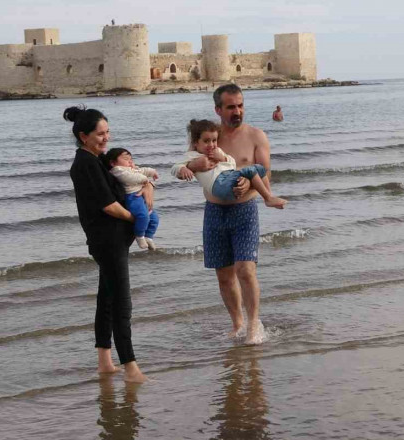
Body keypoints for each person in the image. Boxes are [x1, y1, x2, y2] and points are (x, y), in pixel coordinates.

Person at [173, 84, 273, 345]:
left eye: (240, 105)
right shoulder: (209, 138)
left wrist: (249, 184)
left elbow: (266, 174)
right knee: (224, 275)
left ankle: (253, 325)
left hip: (245, 210)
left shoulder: (256, 136)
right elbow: (184, 167)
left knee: (245, 270)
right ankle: (237, 324)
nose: (237, 111)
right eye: (231, 107)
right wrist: (192, 166)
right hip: (214, 211)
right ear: (218, 109)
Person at [66, 105, 149, 383]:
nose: (106, 138)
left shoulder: (99, 159)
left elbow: (128, 177)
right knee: (122, 304)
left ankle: (105, 361)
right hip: (107, 241)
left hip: (115, 240)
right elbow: (109, 206)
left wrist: (146, 186)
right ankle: (131, 367)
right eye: (100, 134)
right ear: (83, 136)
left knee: (107, 299)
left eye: (108, 132)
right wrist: (137, 220)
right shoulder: (84, 164)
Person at [173, 119, 287, 209]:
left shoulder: (218, 152)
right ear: (196, 143)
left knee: (260, 169)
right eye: (206, 141)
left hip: (228, 179)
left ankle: (269, 196)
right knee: (250, 170)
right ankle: (267, 199)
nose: (211, 145)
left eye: (214, 140)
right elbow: (175, 167)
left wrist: (222, 158)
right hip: (218, 185)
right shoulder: (192, 155)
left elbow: (232, 164)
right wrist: (186, 168)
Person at [104, 148, 161, 250]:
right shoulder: (117, 171)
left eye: (131, 159)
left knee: (154, 218)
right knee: (143, 216)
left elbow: (142, 170)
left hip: (141, 196)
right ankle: (139, 236)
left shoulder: (131, 168)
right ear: (113, 163)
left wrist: (152, 172)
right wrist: (145, 179)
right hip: (132, 196)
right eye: (126, 159)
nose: (130, 161)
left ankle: (149, 237)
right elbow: (129, 177)